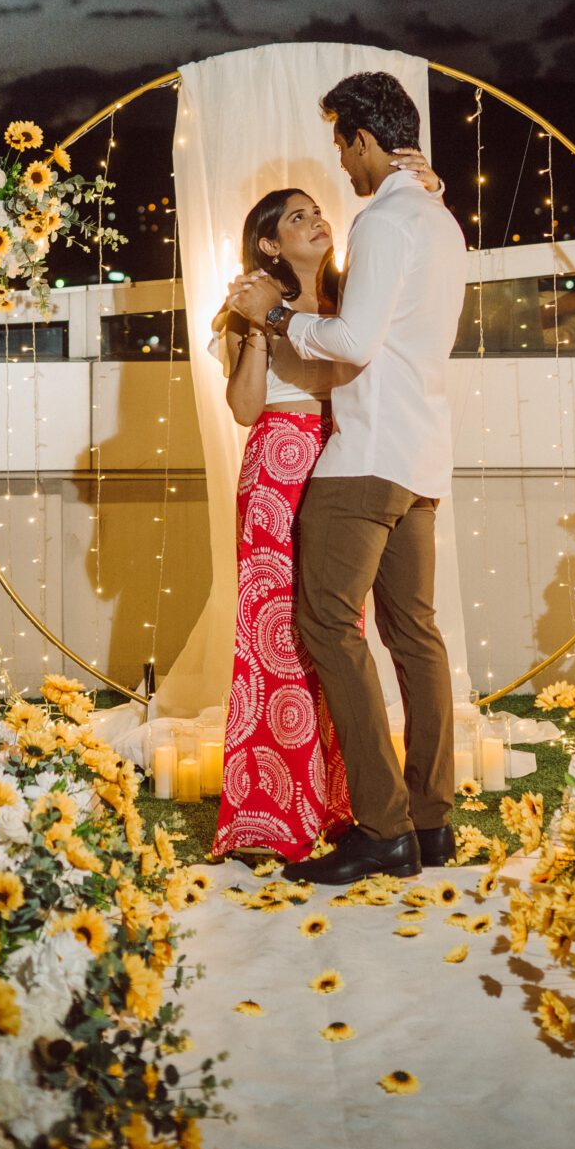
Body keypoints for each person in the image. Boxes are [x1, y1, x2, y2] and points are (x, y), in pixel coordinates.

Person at [226, 71, 467, 883]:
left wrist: (282, 317)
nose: (340, 161)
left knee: (329, 629)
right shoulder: (438, 217)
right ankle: (431, 823)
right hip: (422, 454)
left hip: (364, 458)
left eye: (341, 142)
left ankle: (383, 827)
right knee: (416, 639)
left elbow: (358, 340)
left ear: (363, 139)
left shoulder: (385, 220)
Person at [209, 185, 355, 862]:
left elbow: (354, 378)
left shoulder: (352, 298)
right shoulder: (245, 310)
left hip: (344, 459)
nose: (316, 221)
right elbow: (242, 408)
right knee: (269, 634)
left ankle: (341, 802)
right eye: (297, 217)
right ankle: (267, 811)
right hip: (273, 469)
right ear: (269, 243)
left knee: (337, 629)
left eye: (316, 212)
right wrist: (259, 326)